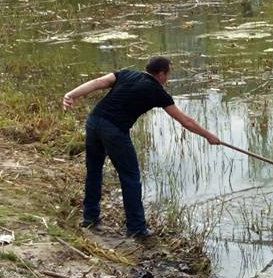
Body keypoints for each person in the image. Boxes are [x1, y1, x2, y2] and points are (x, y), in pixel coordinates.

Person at [62, 56, 221, 240]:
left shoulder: (127, 73)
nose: (167, 79)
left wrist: (72, 94)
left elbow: (98, 82)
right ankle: (136, 228)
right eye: (168, 74)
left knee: (94, 170)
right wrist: (209, 136)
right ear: (161, 74)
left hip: (93, 121)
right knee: (130, 176)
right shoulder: (157, 91)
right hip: (114, 130)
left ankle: (90, 218)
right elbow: (185, 120)